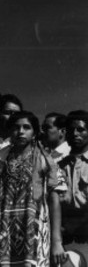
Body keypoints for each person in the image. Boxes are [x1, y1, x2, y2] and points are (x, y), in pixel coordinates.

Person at [0, 111, 66, 267]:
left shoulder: (45, 160)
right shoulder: (2, 161)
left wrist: (57, 242)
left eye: (27, 127)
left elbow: (54, 199)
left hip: (35, 231)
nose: (21, 132)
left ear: (35, 132)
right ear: (10, 131)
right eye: (16, 128)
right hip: (5, 234)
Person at [58, 110, 88, 263]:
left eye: (81, 129)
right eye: (71, 130)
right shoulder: (57, 167)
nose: (75, 133)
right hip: (65, 239)